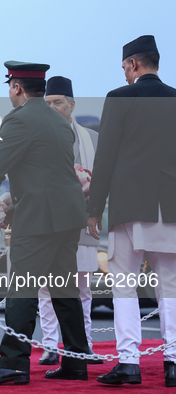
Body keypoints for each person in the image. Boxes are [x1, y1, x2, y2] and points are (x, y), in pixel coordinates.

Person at [0, 61, 90, 385]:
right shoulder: (58, 120)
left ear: (16, 88)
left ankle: (13, 364)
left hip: (39, 217)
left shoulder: (18, 120)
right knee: (65, 289)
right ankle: (77, 361)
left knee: (21, 289)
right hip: (67, 216)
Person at [87, 35, 176, 388]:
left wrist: (94, 208)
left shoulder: (119, 98)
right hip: (170, 206)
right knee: (169, 285)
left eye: (125, 67)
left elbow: (105, 156)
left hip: (129, 205)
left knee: (124, 282)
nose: (124, 73)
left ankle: (128, 363)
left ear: (134, 64)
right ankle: (173, 364)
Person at [38, 76, 102, 366]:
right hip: (47, 222)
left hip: (82, 221)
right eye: (47, 103)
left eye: (58, 102)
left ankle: (83, 344)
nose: (52, 108)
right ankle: (50, 345)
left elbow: (104, 182)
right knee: (47, 288)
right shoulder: (36, 136)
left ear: (72, 104)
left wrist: (95, 211)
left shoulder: (92, 139)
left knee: (82, 286)